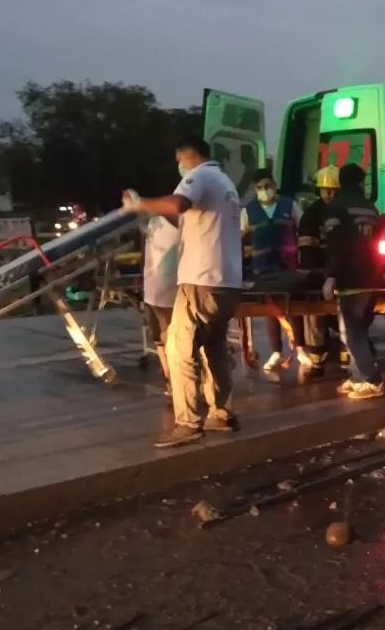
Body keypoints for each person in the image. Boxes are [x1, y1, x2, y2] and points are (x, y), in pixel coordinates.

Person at [123, 135, 243, 448]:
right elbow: (182, 216)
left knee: (179, 349)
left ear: (187, 156)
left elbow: (178, 203)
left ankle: (188, 422)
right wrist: (150, 209)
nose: (179, 166)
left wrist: (139, 203)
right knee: (214, 349)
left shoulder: (198, 176)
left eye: (179, 160)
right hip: (227, 282)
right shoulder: (225, 183)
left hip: (201, 279)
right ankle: (221, 413)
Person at [322, 163, 385, 400]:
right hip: (372, 276)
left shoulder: (337, 207)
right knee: (357, 329)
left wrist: (331, 275)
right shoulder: (371, 208)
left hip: (350, 278)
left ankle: (372, 380)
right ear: (359, 182)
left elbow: (337, 245)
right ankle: (357, 376)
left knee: (351, 331)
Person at [240, 168, 310, 373]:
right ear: (254, 190)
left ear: (274, 185)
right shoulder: (248, 211)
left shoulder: (290, 206)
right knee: (270, 309)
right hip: (262, 270)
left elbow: (304, 227)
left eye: (267, 186)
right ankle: (276, 351)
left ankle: (300, 349)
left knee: (293, 308)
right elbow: (237, 237)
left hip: (288, 267)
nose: (264, 190)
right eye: (259, 188)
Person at [297, 165, 340, 379]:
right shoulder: (311, 215)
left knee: (347, 318)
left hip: (342, 273)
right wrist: (316, 274)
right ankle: (317, 362)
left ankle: (350, 357)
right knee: (315, 315)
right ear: (319, 190)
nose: (330, 195)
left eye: (334, 190)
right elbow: (306, 247)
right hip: (318, 273)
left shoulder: (344, 211)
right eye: (326, 190)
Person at [141, 213, 180, 402]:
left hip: (169, 291)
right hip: (155, 290)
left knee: (169, 340)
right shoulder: (152, 223)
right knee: (162, 341)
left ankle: (177, 383)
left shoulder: (178, 220)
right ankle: (172, 381)